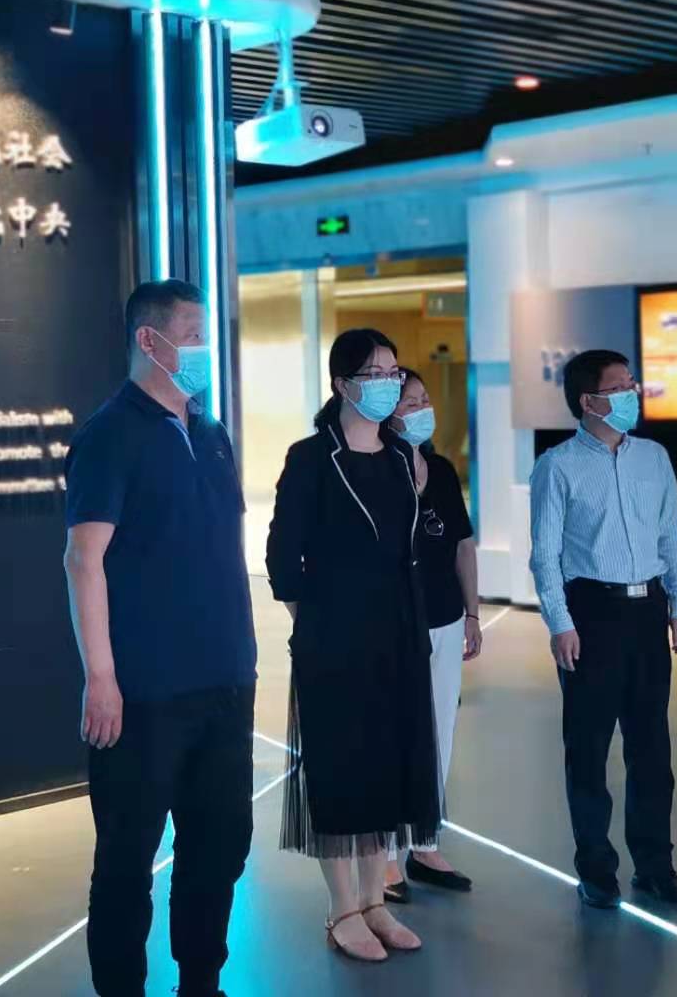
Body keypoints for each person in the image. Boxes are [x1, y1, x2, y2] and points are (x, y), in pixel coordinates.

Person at [64, 280, 256, 997]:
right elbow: (83, 559)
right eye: (193, 333)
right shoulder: (110, 435)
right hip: (144, 691)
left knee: (219, 847)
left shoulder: (210, 433)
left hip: (225, 680)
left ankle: (201, 981)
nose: (204, 347)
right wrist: (101, 676)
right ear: (151, 340)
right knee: (126, 859)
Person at [266, 329, 440, 963]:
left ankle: (373, 901)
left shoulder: (398, 458)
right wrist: (318, 621)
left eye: (394, 372)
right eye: (375, 373)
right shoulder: (311, 458)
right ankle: (342, 908)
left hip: (399, 635)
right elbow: (283, 561)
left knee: (387, 768)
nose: (389, 383)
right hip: (335, 641)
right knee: (341, 770)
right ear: (342, 384)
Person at [529, 349, 677, 911]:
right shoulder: (557, 466)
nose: (633, 394)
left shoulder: (654, 457)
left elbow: (671, 534)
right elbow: (545, 554)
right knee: (589, 749)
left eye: (632, 384)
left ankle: (655, 865)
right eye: (620, 387)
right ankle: (597, 870)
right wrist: (560, 622)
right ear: (589, 401)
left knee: (652, 750)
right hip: (591, 614)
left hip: (648, 611)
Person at [382, 369, 482, 903]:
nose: (423, 410)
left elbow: (463, 545)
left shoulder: (439, 470)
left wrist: (472, 614)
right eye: (410, 403)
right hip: (394, 626)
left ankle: (423, 843)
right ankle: (383, 857)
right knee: (395, 734)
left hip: (444, 619)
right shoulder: (375, 470)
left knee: (439, 731)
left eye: (424, 400)